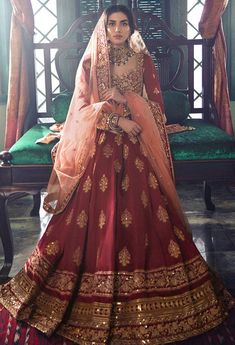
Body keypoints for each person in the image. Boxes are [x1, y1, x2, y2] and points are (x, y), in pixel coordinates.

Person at [0, 4, 235, 345]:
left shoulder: (141, 54)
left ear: (132, 27)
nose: (119, 29)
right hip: (102, 145)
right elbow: (80, 111)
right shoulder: (92, 59)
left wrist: (128, 104)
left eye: (125, 23)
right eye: (112, 24)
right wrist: (116, 120)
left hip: (137, 142)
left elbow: (155, 105)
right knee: (95, 212)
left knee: (148, 212)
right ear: (104, 26)